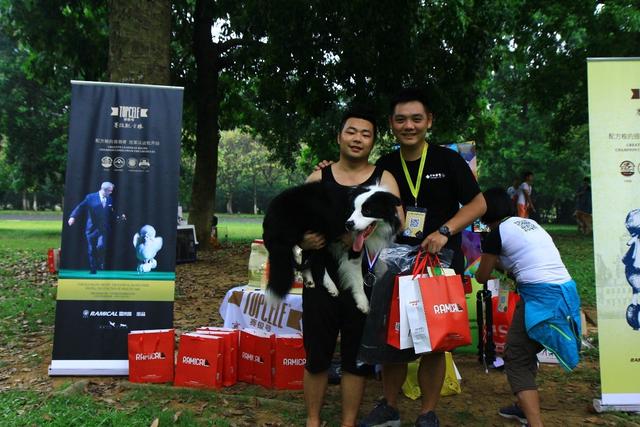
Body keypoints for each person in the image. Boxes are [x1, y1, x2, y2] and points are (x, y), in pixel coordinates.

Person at [358, 88, 486, 427]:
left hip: (439, 262)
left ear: (429, 121)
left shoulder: (448, 161)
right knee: (394, 338)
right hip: (394, 261)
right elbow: (354, 186)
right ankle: (389, 407)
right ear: (391, 124)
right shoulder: (385, 165)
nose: (409, 126)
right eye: (401, 119)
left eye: (416, 119)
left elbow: (478, 205)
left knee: (435, 341)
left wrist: (444, 231)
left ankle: (428, 413)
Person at [302, 108, 403, 427]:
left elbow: (397, 226)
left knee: (356, 360)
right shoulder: (319, 177)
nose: (358, 138)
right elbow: (297, 222)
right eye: (351, 131)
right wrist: (303, 239)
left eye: (366, 134)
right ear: (339, 136)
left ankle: (348, 422)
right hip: (321, 281)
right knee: (317, 357)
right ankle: (313, 420)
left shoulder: (383, 179)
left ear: (373, 141)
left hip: (366, 285)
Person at [475, 187, 581, 427]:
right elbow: (522, 262)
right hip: (565, 290)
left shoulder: (496, 234)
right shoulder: (529, 223)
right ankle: (523, 405)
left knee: (516, 357)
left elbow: (482, 276)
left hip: (540, 296)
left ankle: (534, 422)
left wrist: (484, 257)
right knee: (527, 348)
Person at [68, 181, 124, 274]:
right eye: (109, 191)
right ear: (104, 190)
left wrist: (119, 216)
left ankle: (100, 261)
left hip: (103, 228)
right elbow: (80, 207)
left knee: (101, 246)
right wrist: (73, 217)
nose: (111, 193)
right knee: (91, 249)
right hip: (92, 229)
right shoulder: (90, 197)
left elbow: (110, 212)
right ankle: (93, 268)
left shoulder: (109, 199)